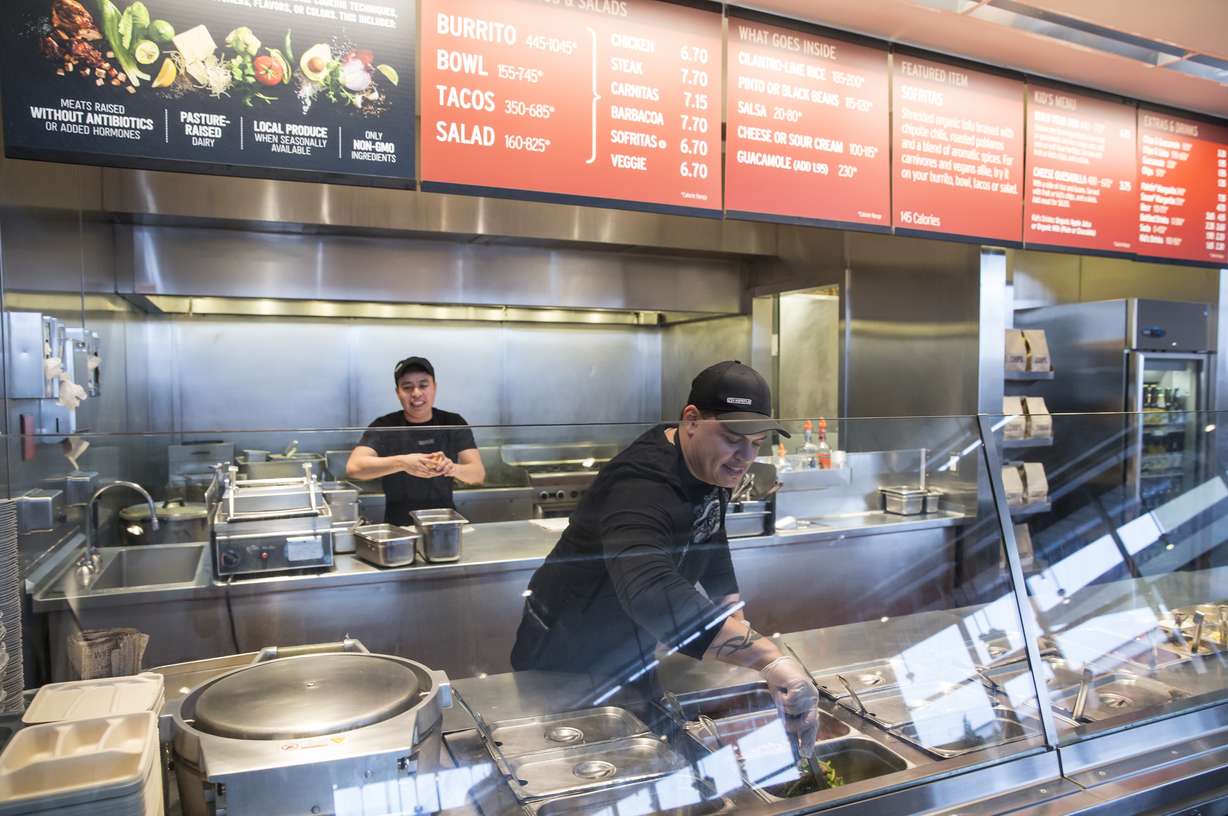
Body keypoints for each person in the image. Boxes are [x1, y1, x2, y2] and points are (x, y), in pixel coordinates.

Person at [510, 360, 820, 753]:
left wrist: (732, 610)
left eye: (756, 443)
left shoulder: (712, 465)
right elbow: (651, 591)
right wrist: (768, 659)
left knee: (650, 748)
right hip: (567, 654)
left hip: (633, 641)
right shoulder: (640, 484)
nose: (745, 457)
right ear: (691, 420)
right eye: (733, 438)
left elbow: (710, 531)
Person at [346, 356, 485, 525]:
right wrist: (403, 463)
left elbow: (478, 474)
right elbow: (354, 467)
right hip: (398, 528)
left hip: (445, 525)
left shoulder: (453, 422)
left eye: (423, 385)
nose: (416, 393)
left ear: (434, 387)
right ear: (398, 392)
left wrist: (451, 468)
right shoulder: (385, 426)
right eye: (407, 387)